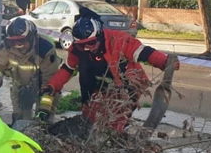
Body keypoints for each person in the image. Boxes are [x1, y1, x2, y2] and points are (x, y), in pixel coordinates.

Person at [43, 8, 179, 132]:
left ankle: (119, 139)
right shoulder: (76, 50)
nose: (87, 48)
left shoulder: (117, 40)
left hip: (125, 85)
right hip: (95, 86)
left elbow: (144, 53)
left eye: (90, 43)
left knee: (115, 120)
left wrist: (165, 62)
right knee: (89, 119)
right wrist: (53, 85)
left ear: (99, 35)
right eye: (82, 45)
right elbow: (67, 69)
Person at [0, 18, 62, 123]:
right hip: (20, 87)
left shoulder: (45, 49)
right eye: (13, 41)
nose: (17, 45)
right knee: (20, 121)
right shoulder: (6, 47)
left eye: (21, 40)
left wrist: (44, 109)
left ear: (31, 37)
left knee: (43, 123)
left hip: (44, 88)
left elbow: (50, 82)